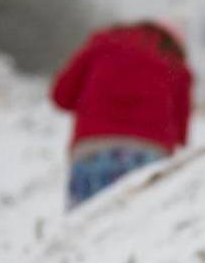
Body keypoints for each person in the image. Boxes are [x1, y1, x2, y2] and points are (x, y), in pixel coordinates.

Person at [50, 21, 194, 208]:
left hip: (92, 151)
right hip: (150, 155)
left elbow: (61, 96)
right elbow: (181, 131)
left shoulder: (100, 46)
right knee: (135, 230)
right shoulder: (173, 60)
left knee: (85, 227)